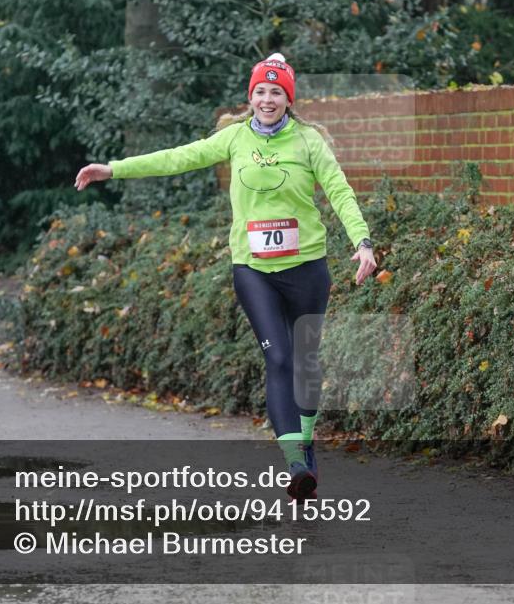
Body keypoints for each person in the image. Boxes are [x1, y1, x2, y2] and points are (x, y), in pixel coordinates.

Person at [75, 53, 377, 500]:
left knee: (306, 363)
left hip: (307, 267)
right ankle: (296, 464)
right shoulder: (234, 138)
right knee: (278, 360)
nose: (268, 99)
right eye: (260, 91)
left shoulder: (309, 142)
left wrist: (362, 242)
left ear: (288, 99)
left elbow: (340, 191)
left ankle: (305, 440)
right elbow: (177, 158)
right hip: (253, 268)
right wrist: (113, 169)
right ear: (250, 97)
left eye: (276, 92)